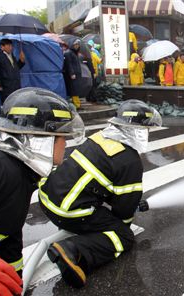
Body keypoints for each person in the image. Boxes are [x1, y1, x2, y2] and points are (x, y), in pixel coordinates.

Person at [0, 87, 83, 296]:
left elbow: (7, 235)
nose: (66, 143)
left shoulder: (22, 174)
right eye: (62, 137)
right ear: (41, 139)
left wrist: (14, 282)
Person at [39, 100, 161, 288]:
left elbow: (100, 180)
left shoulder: (100, 138)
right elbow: (124, 211)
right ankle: (74, 250)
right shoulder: (129, 160)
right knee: (124, 237)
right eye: (147, 130)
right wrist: (122, 225)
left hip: (48, 198)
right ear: (138, 130)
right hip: (69, 211)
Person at [0, 39, 26, 103]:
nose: (11, 48)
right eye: (8, 46)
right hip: (6, 84)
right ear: (2, 47)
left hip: (15, 83)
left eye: (11, 46)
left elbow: (16, 68)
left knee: (16, 100)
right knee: (7, 101)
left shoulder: (12, 56)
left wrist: (21, 61)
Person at [62, 41, 83, 109]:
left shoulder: (74, 53)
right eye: (75, 45)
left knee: (76, 90)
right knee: (74, 90)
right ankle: (77, 105)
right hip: (73, 75)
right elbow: (69, 64)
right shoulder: (68, 53)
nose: (77, 46)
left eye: (78, 45)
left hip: (76, 74)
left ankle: (77, 104)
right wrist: (72, 73)